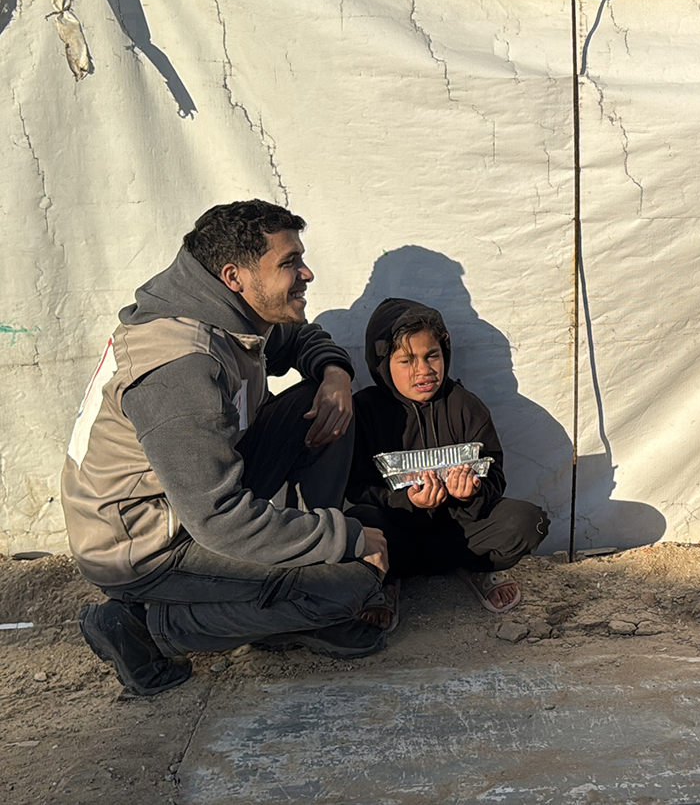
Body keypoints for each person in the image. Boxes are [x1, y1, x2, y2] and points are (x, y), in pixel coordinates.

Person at [61, 200, 390, 696]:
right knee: (354, 584)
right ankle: (139, 627)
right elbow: (218, 519)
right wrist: (346, 540)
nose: (306, 272)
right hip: (146, 547)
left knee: (317, 403)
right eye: (288, 264)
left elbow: (298, 339)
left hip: (188, 501)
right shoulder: (180, 367)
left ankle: (296, 590)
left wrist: (334, 374)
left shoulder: (227, 313)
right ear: (234, 275)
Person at [345, 298, 548, 623]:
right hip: (399, 538)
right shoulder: (365, 411)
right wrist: (405, 500)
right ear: (383, 363)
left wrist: (472, 493)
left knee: (526, 521)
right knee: (355, 523)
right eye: (407, 360)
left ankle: (478, 569)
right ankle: (384, 581)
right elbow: (356, 486)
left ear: (446, 353)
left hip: (461, 536)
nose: (423, 370)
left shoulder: (466, 406)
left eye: (432, 356)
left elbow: (495, 474)